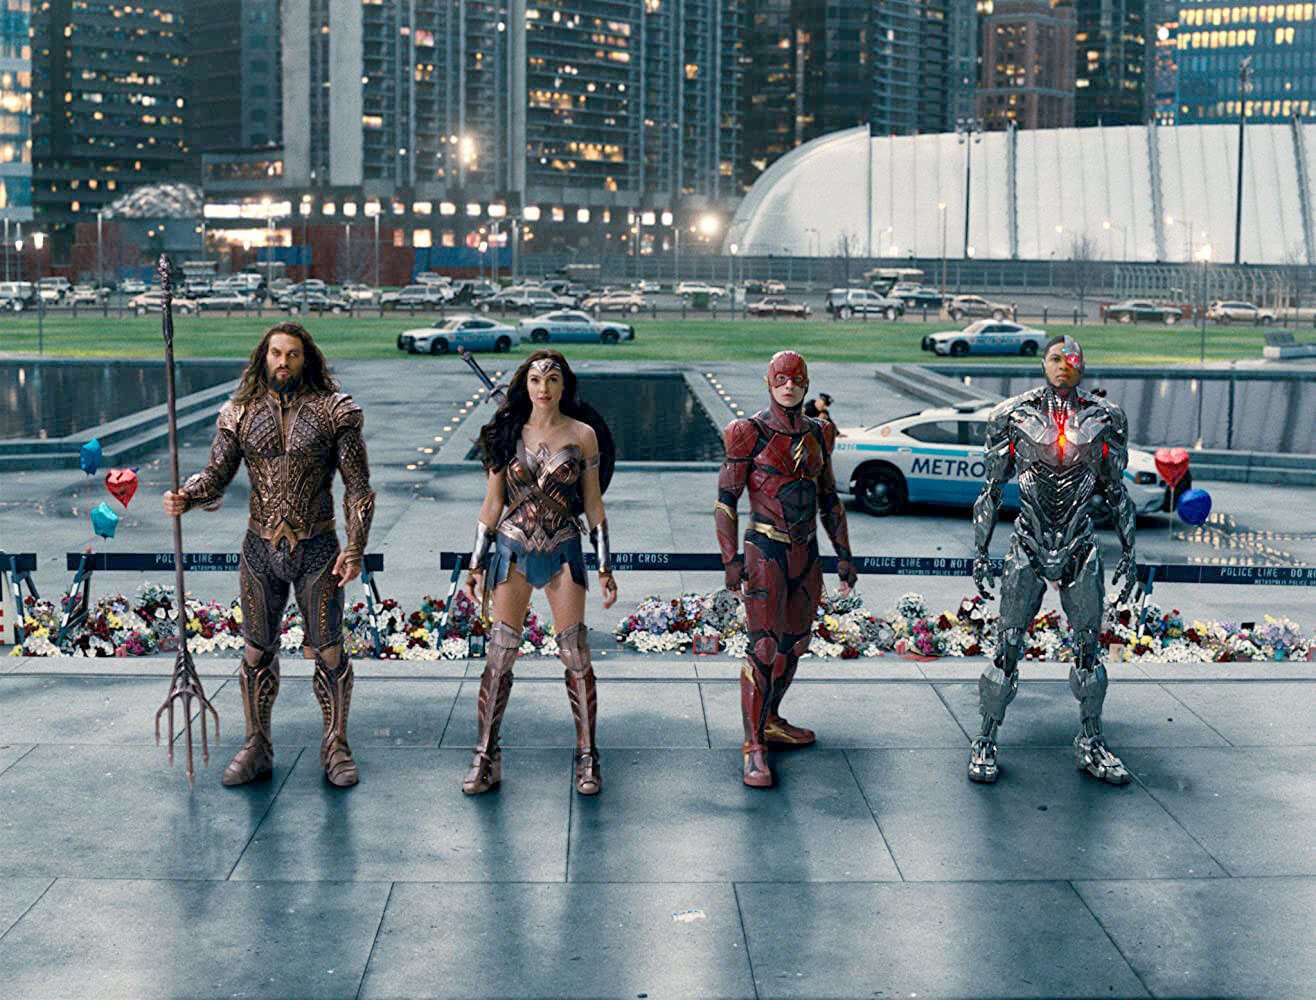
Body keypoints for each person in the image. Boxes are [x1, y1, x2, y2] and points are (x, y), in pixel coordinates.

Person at [162, 321, 375, 788]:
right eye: (276, 353)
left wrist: (356, 547)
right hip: (260, 548)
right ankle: (256, 745)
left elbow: (358, 488)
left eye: (292, 354)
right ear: (264, 358)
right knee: (256, 649)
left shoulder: (334, 411)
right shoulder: (239, 413)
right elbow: (216, 475)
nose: (283, 362)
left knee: (329, 649)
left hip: (318, 547)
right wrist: (187, 495)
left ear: (306, 358)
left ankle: (336, 745)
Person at [969, 334, 1138, 785]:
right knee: (1007, 646)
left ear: (1083, 365)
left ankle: (1091, 740)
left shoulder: (1106, 418)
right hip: (1028, 540)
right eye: (1055, 358)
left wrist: (1130, 551)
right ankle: (985, 738)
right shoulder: (1011, 415)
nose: (1064, 365)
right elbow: (991, 490)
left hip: (1080, 543)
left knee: (1088, 648)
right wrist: (981, 550)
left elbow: (1116, 491)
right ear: (1044, 362)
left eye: (1072, 358)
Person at [463, 350, 617, 796]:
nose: (543, 387)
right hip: (512, 549)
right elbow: (493, 503)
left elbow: (593, 504)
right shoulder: (505, 432)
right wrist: (475, 563)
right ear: (525, 384)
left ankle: (587, 756)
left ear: (564, 384)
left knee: (576, 653)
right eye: (535, 379)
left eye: (552, 378)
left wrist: (605, 566)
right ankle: (485, 755)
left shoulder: (583, 434)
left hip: (563, 548)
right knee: (500, 654)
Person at [715, 351, 857, 788]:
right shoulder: (747, 433)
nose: (789, 386)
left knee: (794, 644)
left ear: (807, 383)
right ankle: (753, 746)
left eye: (796, 379)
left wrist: (844, 554)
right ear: (768, 382)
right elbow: (726, 500)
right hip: (765, 549)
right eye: (781, 378)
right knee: (763, 648)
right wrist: (731, 559)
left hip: (806, 550)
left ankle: (771, 719)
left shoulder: (820, 433)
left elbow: (828, 498)